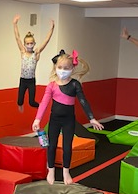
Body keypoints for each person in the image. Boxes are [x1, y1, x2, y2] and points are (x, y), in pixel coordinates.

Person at [32, 49, 104, 185]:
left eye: (66, 68)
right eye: (60, 68)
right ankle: (51, 170)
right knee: (51, 146)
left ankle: (66, 171)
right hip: (54, 120)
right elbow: (44, 103)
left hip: (69, 120)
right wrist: (37, 119)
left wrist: (91, 118)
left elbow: (83, 101)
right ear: (55, 68)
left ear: (72, 68)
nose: (62, 71)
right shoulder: (52, 85)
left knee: (67, 147)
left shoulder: (75, 84)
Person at [13, 15, 55, 112]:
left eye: (31, 43)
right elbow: (17, 38)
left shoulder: (36, 53)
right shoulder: (22, 52)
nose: (29, 45)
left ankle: (41, 108)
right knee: (19, 101)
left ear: (34, 43)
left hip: (31, 81)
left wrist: (52, 28)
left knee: (32, 102)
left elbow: (46, 41)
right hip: (23, 80)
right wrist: (15, 24)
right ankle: (20, 105)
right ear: (24, 44)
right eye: (27, 43)